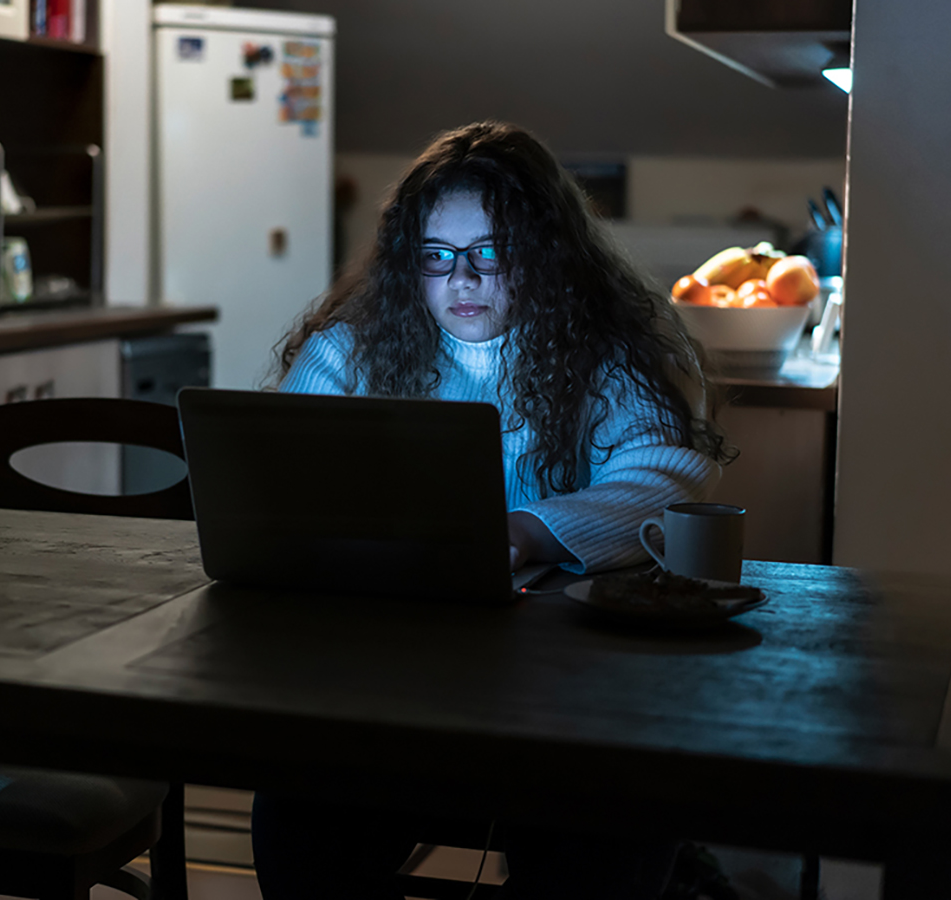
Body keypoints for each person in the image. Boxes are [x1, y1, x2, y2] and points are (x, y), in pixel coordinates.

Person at [252, 121, 734, 899]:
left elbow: (667, 472)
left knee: (607, 836)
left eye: (491, 254)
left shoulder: (605, 356)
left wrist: (527, 527)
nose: (462, 280)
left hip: (565, 694)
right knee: (300, 823)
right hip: (388, 683)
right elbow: (281, 465)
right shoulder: (353, 348)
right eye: (436, 258)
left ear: (545, 255)